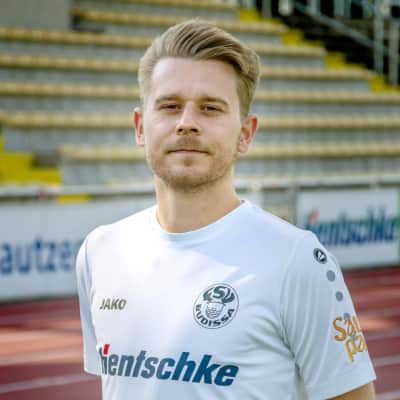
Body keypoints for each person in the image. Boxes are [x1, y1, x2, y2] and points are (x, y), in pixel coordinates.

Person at [76, 19, 376, 400]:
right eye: (170, 106)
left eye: (210, 108)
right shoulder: (99, 252)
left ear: (245, 134)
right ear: (139, 126)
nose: (187, 123)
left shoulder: (296, 260)